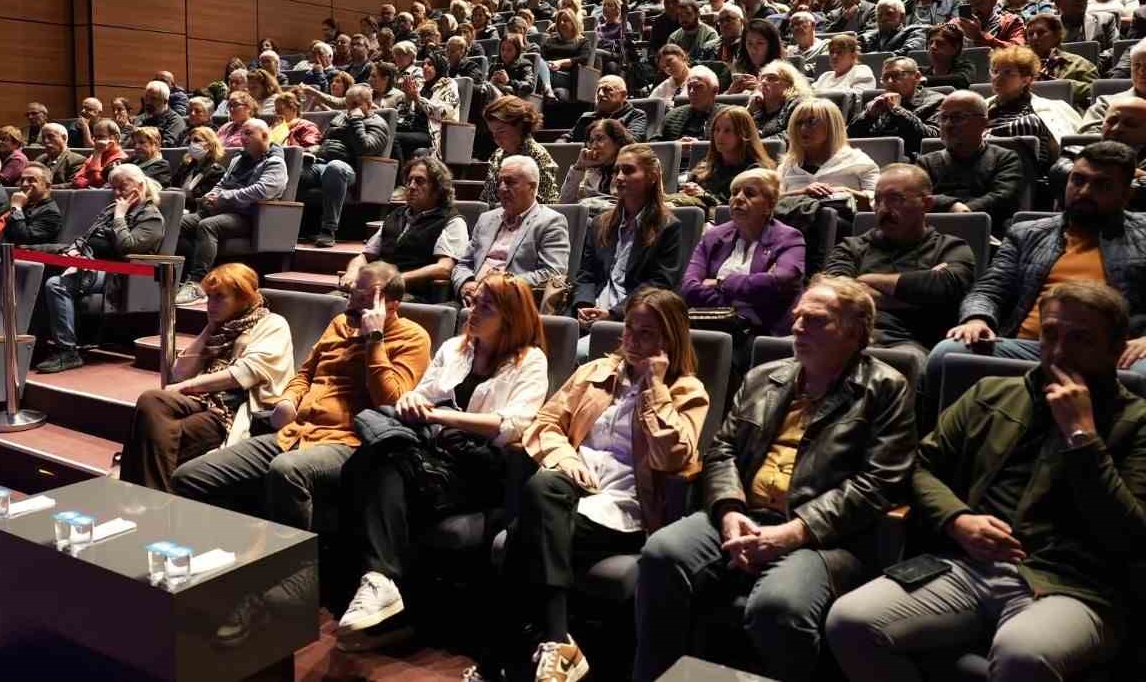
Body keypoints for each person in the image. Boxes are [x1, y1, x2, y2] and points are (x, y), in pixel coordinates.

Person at [829, 280, 1146, 682]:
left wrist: (1083, 439)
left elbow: (1134, 533)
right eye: (1050, 334)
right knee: (850, 621)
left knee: (1023, 654)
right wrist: (957, 520)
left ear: (1116, 349)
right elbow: (921, 467)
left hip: (1073, 587)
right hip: (967, 566)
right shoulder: (991, 394)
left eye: (1080, 339)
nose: (1060, 351)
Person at [636, 275, 914, 682]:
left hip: (824, 537)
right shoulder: (764, 377)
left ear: (856, 331)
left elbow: (878, 484)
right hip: (745, 515)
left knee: (778, 606)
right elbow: (723, 450)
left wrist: (793, 532)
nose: (798, 327)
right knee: (661, 553)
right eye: (798, 316)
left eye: (815, 320)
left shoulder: (886, 388)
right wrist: (729, 510)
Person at [471, 287, 708, 682]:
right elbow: (546, 423)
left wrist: (654, 388)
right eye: (629, 329)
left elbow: (673, 457)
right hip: (570, 487)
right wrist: (564, 458)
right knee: (543, 489)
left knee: (523, 532)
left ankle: (499, 659)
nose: (631, 341)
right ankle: (556, 642)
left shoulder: (686, 391)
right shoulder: (594, 372)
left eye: (646, 334)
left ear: (669, 339)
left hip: (625, 506)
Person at [924, 141, 1146, 427]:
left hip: (1118, 352)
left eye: (1102, 185)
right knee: (947, 353)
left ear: (1126, 195)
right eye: (1078, 180)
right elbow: (989, 289)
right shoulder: (1027, 233)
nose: (1084, 191)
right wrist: (977, 318)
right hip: (1030, 346)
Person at [334, 274, 550, 651]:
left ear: (511, 318)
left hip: (481, 466)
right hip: (432, 454)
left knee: (380, 460)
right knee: (376, 457)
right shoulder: (454, 348)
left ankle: (381, 585)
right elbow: (418, 396)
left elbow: (513, 425)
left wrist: (438, 417)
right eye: (473, 301)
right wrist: (412, 404)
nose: (472, 311)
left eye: (485, 306)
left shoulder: (530, 362)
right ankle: (383, 587)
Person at [170, 261, 431, 532]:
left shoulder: (412, 338)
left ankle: (295, 571)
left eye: (364, 298)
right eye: (352, 292)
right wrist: (288, 399)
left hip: (348, 442)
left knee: (286, 470)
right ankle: (223, 557)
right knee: (189, 477)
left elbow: (389, 403)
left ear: (391, 305)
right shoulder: (340, 324)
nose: (351, 302)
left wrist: (374, 339)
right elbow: (305, 373)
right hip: (296, 432)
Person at [121, 264, 295, 490]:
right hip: (205, 400)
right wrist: (209, 329)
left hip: (232, 410)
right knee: (151, 402)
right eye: (209, 297)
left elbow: (245, 373)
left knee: (152, 431)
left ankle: (143, 496)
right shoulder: (220, 328)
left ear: (243, 297)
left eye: (219, 297)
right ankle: (158, 501)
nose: (210, 305)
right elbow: (179, 372)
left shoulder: (273, 324)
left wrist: (187, 386)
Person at [824, 165, 977, 363]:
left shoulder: (951, 247)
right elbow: (834, 292)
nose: (883, 209)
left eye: (895, 199)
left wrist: (865, 281)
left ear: (926, 204)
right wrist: (916, 299)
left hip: (909, 344)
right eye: (877, 200)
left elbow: (946, 286)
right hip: (844, 336)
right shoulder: (851, 246)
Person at [32, 165, 166, 373]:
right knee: (36, 269)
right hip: (89, 263)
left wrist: (120, 217)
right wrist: (76, 251)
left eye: (122, 187)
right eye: (114, 188)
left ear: (140, 186)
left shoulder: (151, 216)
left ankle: (67, 352)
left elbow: (128, 248)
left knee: (56, 284)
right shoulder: (110, 209)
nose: (117, 193)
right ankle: (38, 343)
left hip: (120, 275)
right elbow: (86, 237)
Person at [572, 144, 681, 349]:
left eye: (629, 170)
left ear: (651, 176)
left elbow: (658, 284)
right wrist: (584, 304)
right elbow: (585, 274)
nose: (619, 177)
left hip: (632, 318)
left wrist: (614, 314)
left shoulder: (668, 227)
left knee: (577, 353)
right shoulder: (599, 224)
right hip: (590, 312)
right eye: (617, 171)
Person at [680, 168, 807, 337]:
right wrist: (749, 299)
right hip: (711, 325)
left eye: (750, 193)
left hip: (763, 333)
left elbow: (778, 283)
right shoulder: (713, 236)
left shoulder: (789, 238)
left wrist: (720, 283)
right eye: (734, 192)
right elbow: (689, 288)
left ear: (769, 205)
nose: (738, 198)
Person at [174, 120, 286, 303]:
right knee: (177, 224)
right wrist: (211, 195)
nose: (243, 137)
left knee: (207, 226)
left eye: (248, 133)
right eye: (242, 133)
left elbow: (262, 190)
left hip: (248, 216)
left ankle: (197, 285)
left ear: (265, 136)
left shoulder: (275, 162)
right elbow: (222, 183)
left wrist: (224, 197)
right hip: (221, 209)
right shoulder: (238, 160)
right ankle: (190, 275)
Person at [338, 157, 469, 302]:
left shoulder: (452, 221)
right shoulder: (396, 215)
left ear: (438, 188)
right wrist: (351, 273)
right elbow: (364, 256)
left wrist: (397, 280)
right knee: (332, 301)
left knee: (362, 306)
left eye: (419, 181)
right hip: (374, 289)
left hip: (409, 294)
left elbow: (444, 268)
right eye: (409, 181)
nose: (411, 186)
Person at [1053, 97, 1146, 225]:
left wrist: (1094, 180)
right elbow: (1059, 177)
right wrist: (1134, 175)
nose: (1117, 129)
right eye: (1112, 121)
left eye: (1130, 124)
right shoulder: (1074, 152)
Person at [453, 155, 570, 305]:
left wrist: (502, 284)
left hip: (512, 305)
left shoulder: (550, 222)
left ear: (532, 187)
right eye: (500, 182)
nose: (502, 188)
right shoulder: (486, 219)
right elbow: (463, 264)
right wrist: (465, 284)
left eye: (510, 182)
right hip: (471, 299)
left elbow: (553, 273)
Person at [917, 90, 1026, 233]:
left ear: (983, 123)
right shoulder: (926, 162)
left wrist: (967, 211)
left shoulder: (1006, 158)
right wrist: (952, 205)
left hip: (988, 233)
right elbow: (916, 196)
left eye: (958, 118)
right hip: (934, 234)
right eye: (943, 117)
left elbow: (1002, 196)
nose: (948, 125)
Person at [298, 85, 390, 248]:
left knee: (336, 167)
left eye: (355, 104)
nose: (350, 109)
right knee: (293, 168)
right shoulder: (340, 117)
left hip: (351, 169)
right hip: (321, 163)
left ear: (368, 105)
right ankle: (294, 227)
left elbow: (366, 148)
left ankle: (328, 230)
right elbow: (324, 141)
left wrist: (356, 120)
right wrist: (312, 150)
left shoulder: (378, 123)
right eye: (348, 104)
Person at [984, 45, 1079, 174]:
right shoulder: (981, 107)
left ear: (1025, 80)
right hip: (985, 171)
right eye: (995, 71)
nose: (997, 78)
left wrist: (986, 135)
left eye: (1007, 73)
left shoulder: (1052, 108)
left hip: (1030, 176)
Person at [778, 99, 880, 212]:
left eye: (812, 122)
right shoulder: (787, 166)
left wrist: (846, 193)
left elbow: (878, 202)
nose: (803, 128)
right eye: (798, 123)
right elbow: (772, 201)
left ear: (832, 125)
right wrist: (802, 193)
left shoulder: (859, 161)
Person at [675, 107, 776, 213]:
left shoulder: (755, 171)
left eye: (727, 131)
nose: (719, 136)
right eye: (717, 130)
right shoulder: (706, 166)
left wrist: (704, 196)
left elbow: (742, 208)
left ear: (743, 134)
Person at [846, 56, 943, 159]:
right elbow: (850, 137)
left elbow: (932, 141)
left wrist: (897, 110)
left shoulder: (937, 101)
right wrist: (868, 116)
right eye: (885, 77)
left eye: (896, 75)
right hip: (873, 158)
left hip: (913, 161)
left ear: (917, 77)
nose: (890, 81)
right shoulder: (876, 103)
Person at [480, 96, 561, 205]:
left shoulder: (537, 155)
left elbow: (545, 203)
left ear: (520, 126)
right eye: (493, 133)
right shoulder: (497, 155)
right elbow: (486, 198)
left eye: (501, 131)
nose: (496, 138)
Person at [1025, 14, 1098, 108]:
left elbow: (1095, 91)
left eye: (1041, 32)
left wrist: (1060, 85)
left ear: (1056, 36)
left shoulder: (1078, 63)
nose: (1035, 37)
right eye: (1030, 34)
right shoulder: (1019, 65)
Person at [561, 118, 632, 212]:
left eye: (600, 139)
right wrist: (579, 166)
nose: (594, 146)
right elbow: (565, 202)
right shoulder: (590, 170)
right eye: (591, 141)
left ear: (617, 141)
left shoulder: (632, 169)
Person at [561, 75, 649, 142]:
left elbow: (632, 142)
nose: (600, 94)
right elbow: (567, 138)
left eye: (607, 89)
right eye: (598, 90)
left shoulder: (636, 115)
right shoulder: (586, 117)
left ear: (623, 95)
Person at [169, 126, 228, 213]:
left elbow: (203, 199)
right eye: (191, 141)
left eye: (196, 140)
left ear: (210, 145)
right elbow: (173, 186)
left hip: (196, 211)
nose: (192, 144)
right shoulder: (185, 166)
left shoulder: (216, 171)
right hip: (177, 207)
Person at [956, 0, 1027, 49]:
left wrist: (980, 37)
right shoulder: (959, 22)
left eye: (979, 4)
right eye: (969, 5)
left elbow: (1018, 50)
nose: (974, 10)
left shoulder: (1011, 22)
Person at [657, 65, 720, 142]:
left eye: (698, 87)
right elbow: (653, 145)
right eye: (689, 87)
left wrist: (699, 147)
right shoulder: (672, 115)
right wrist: (675, 146)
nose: (691, 92)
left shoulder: (728, 116)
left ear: (714, 90)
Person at [69, 119, 127, 189]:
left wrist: (97, 152)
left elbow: (96, 183)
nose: (96, 141)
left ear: (115, 137)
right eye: (95, 137)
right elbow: (76, 180)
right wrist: (88, 183)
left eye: (100, 136)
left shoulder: (121, 160)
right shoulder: (94, 156)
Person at [813, 34, 877, 92]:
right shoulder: (825, 76)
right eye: (831, 52)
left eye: (840, 52)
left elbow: (857, 98)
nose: (834, 56)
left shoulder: (861, 71)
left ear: (853, 55)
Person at [922, 23, 974, 89]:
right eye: (930, 42)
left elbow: (960, 80)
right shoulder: (921, 72)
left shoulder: (966, 68)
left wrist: (924, 80)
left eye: (940, 43)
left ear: (955, 48)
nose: (933, 46)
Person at [137, 78, 187, 147]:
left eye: (153, 99)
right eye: (146, 97)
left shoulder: (175, 121)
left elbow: (166, 147)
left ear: (165, 101)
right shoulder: (141, 118)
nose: (148, 102)